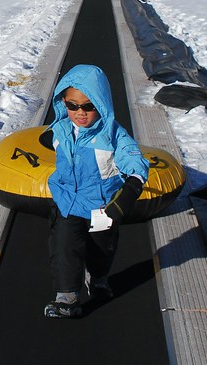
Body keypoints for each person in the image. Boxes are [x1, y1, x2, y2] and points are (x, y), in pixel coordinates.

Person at [43, 64, 150, 319]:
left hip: (102, 206)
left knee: (102, 249)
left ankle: (98, 276)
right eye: (73, 105)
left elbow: (135, 163)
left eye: (88, 106)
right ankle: (66, 296)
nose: (80, 113)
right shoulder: (60, 130)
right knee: (64, 247)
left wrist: (128, 193)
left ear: (100, 104)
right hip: (68, 201)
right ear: (63, 102)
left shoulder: (114, 135)